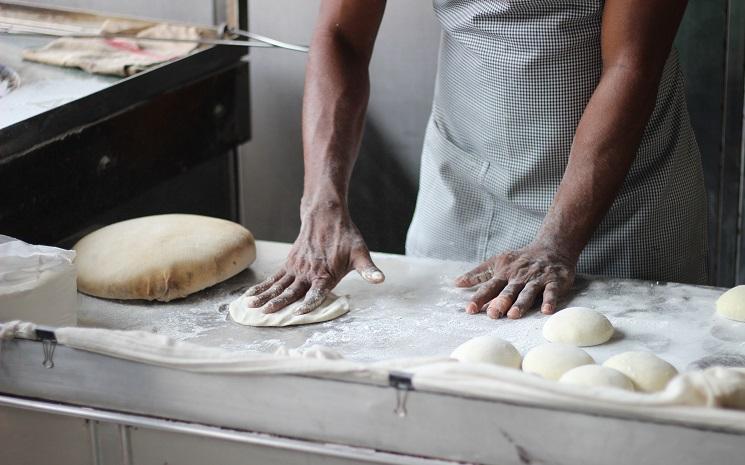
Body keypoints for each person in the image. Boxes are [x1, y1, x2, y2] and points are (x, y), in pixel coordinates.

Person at [244, 0, 707, 320]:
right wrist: (322, 203)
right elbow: (340, 36)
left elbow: (633, 64)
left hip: (618, 200)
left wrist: (557, 241)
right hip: (463, 182)